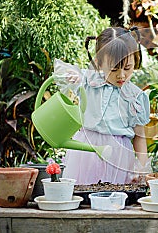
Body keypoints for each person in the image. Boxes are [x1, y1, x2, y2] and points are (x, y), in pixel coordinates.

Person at [55, 27, 151, 184]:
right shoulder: (87, 82)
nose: (121, 75)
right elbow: (63, 74)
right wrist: (72, 77)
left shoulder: (135, 97)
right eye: (114, 69)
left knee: (114, 197)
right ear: (99, 63)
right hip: (85, 151)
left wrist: (141, 166)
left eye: (127, 68)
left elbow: (139, 137)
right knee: (82, 193)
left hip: (118, 155)